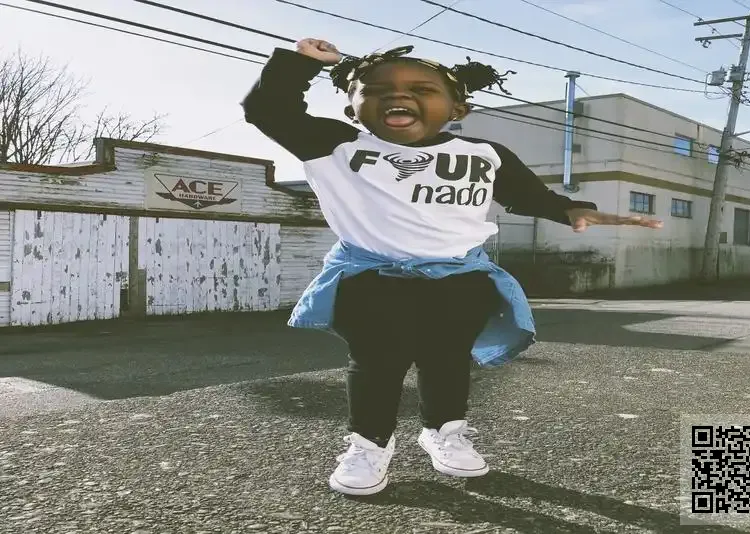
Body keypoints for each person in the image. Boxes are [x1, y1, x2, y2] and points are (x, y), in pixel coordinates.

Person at [241, 38, 662, 497]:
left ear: (457, 108)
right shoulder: (333, 145)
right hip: (372, 279)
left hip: (460, 279)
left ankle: (444, 432)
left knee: (447, 360)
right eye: (377, 90)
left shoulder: (485, 152)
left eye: (422, 89)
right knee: (376, 365)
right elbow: (267, 109)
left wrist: (573, 210)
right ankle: (369, 445)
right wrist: (302, 62)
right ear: (351, 109)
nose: (399, 96)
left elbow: (528, 196)